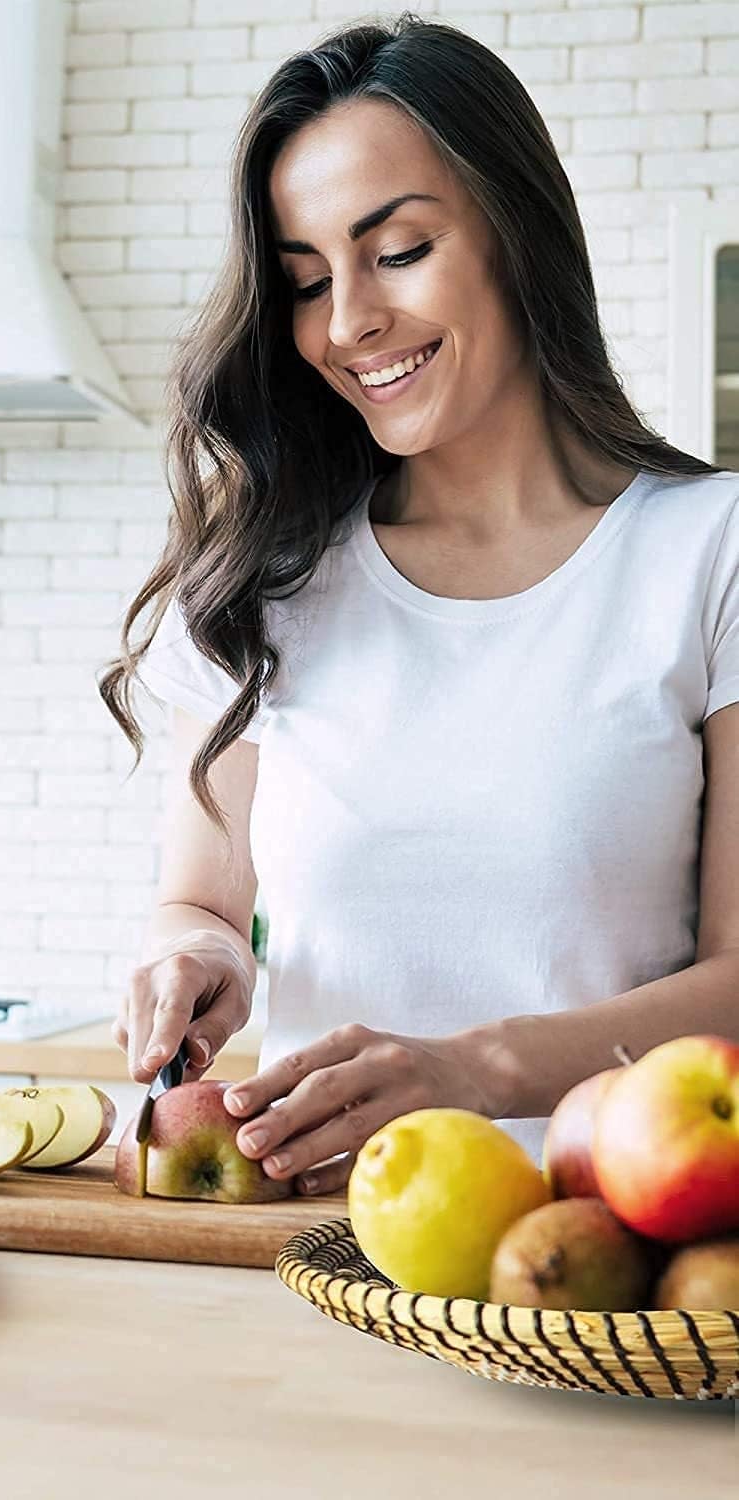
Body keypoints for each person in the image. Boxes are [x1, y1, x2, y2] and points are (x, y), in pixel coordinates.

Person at [98, 14, 739, 1198]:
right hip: (302, 1254)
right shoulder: (264, 580)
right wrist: (193, 957)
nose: (346, 324)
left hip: (592, 1269)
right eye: (304, 281)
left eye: (396, 252)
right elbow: (199, 895)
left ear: (517, 231)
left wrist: (476, 1068)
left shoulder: (709, 553)